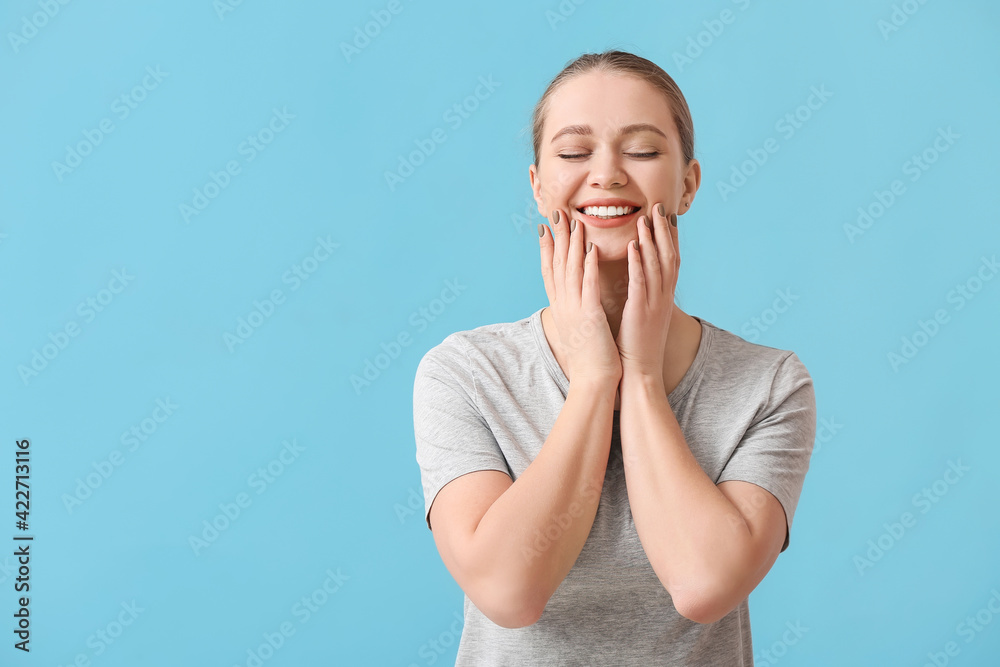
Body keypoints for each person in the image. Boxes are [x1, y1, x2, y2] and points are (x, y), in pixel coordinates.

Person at [412, 49, 816, 666]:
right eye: (574, 153)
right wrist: (597, 378)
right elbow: (508, 592)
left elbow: (704, 585)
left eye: (644, 151)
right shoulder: (465, 373)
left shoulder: (769, 384)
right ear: (538, 185)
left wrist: (644, 376)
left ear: (688, 183)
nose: (606, 176)